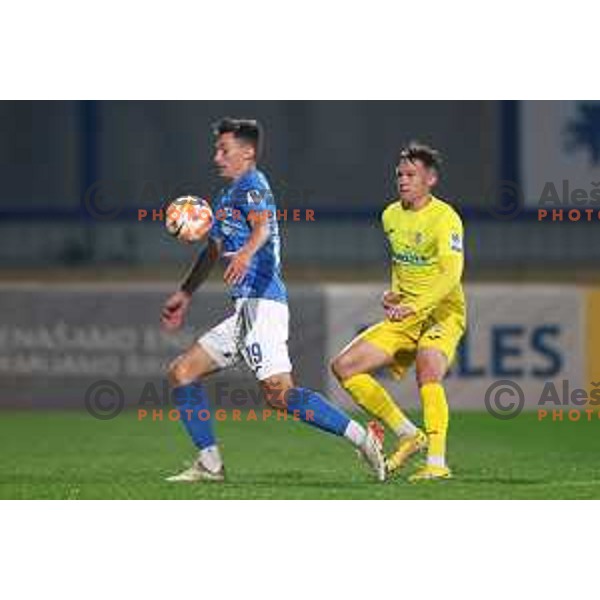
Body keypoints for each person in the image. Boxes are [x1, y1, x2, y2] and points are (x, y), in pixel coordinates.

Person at [160, 117, 385, 482]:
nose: (217, 157)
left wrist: (248, 252)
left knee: (280, 396)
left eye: (224, 150)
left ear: (247, 152)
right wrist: (185, 292)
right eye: (217, 149)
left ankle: (364, 439)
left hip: (263, 304)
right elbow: (212, 251)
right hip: (245, 310)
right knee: (183, 372)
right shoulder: (225, 196)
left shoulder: (252, 184)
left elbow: (263, 227)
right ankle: (210, 463)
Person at [330, 142, 466, 481]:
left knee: (428, 369)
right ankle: (408, 434)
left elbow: (451, 275)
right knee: (344, 366)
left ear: (430, 179)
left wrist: (414, 306)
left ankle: (436, 463)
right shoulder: (390, 215)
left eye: (411, 175)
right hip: (405, 313)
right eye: (400, 175)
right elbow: (400, 261)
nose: (403, 181)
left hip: (441, 313)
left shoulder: (445, 218)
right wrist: (394, 293)